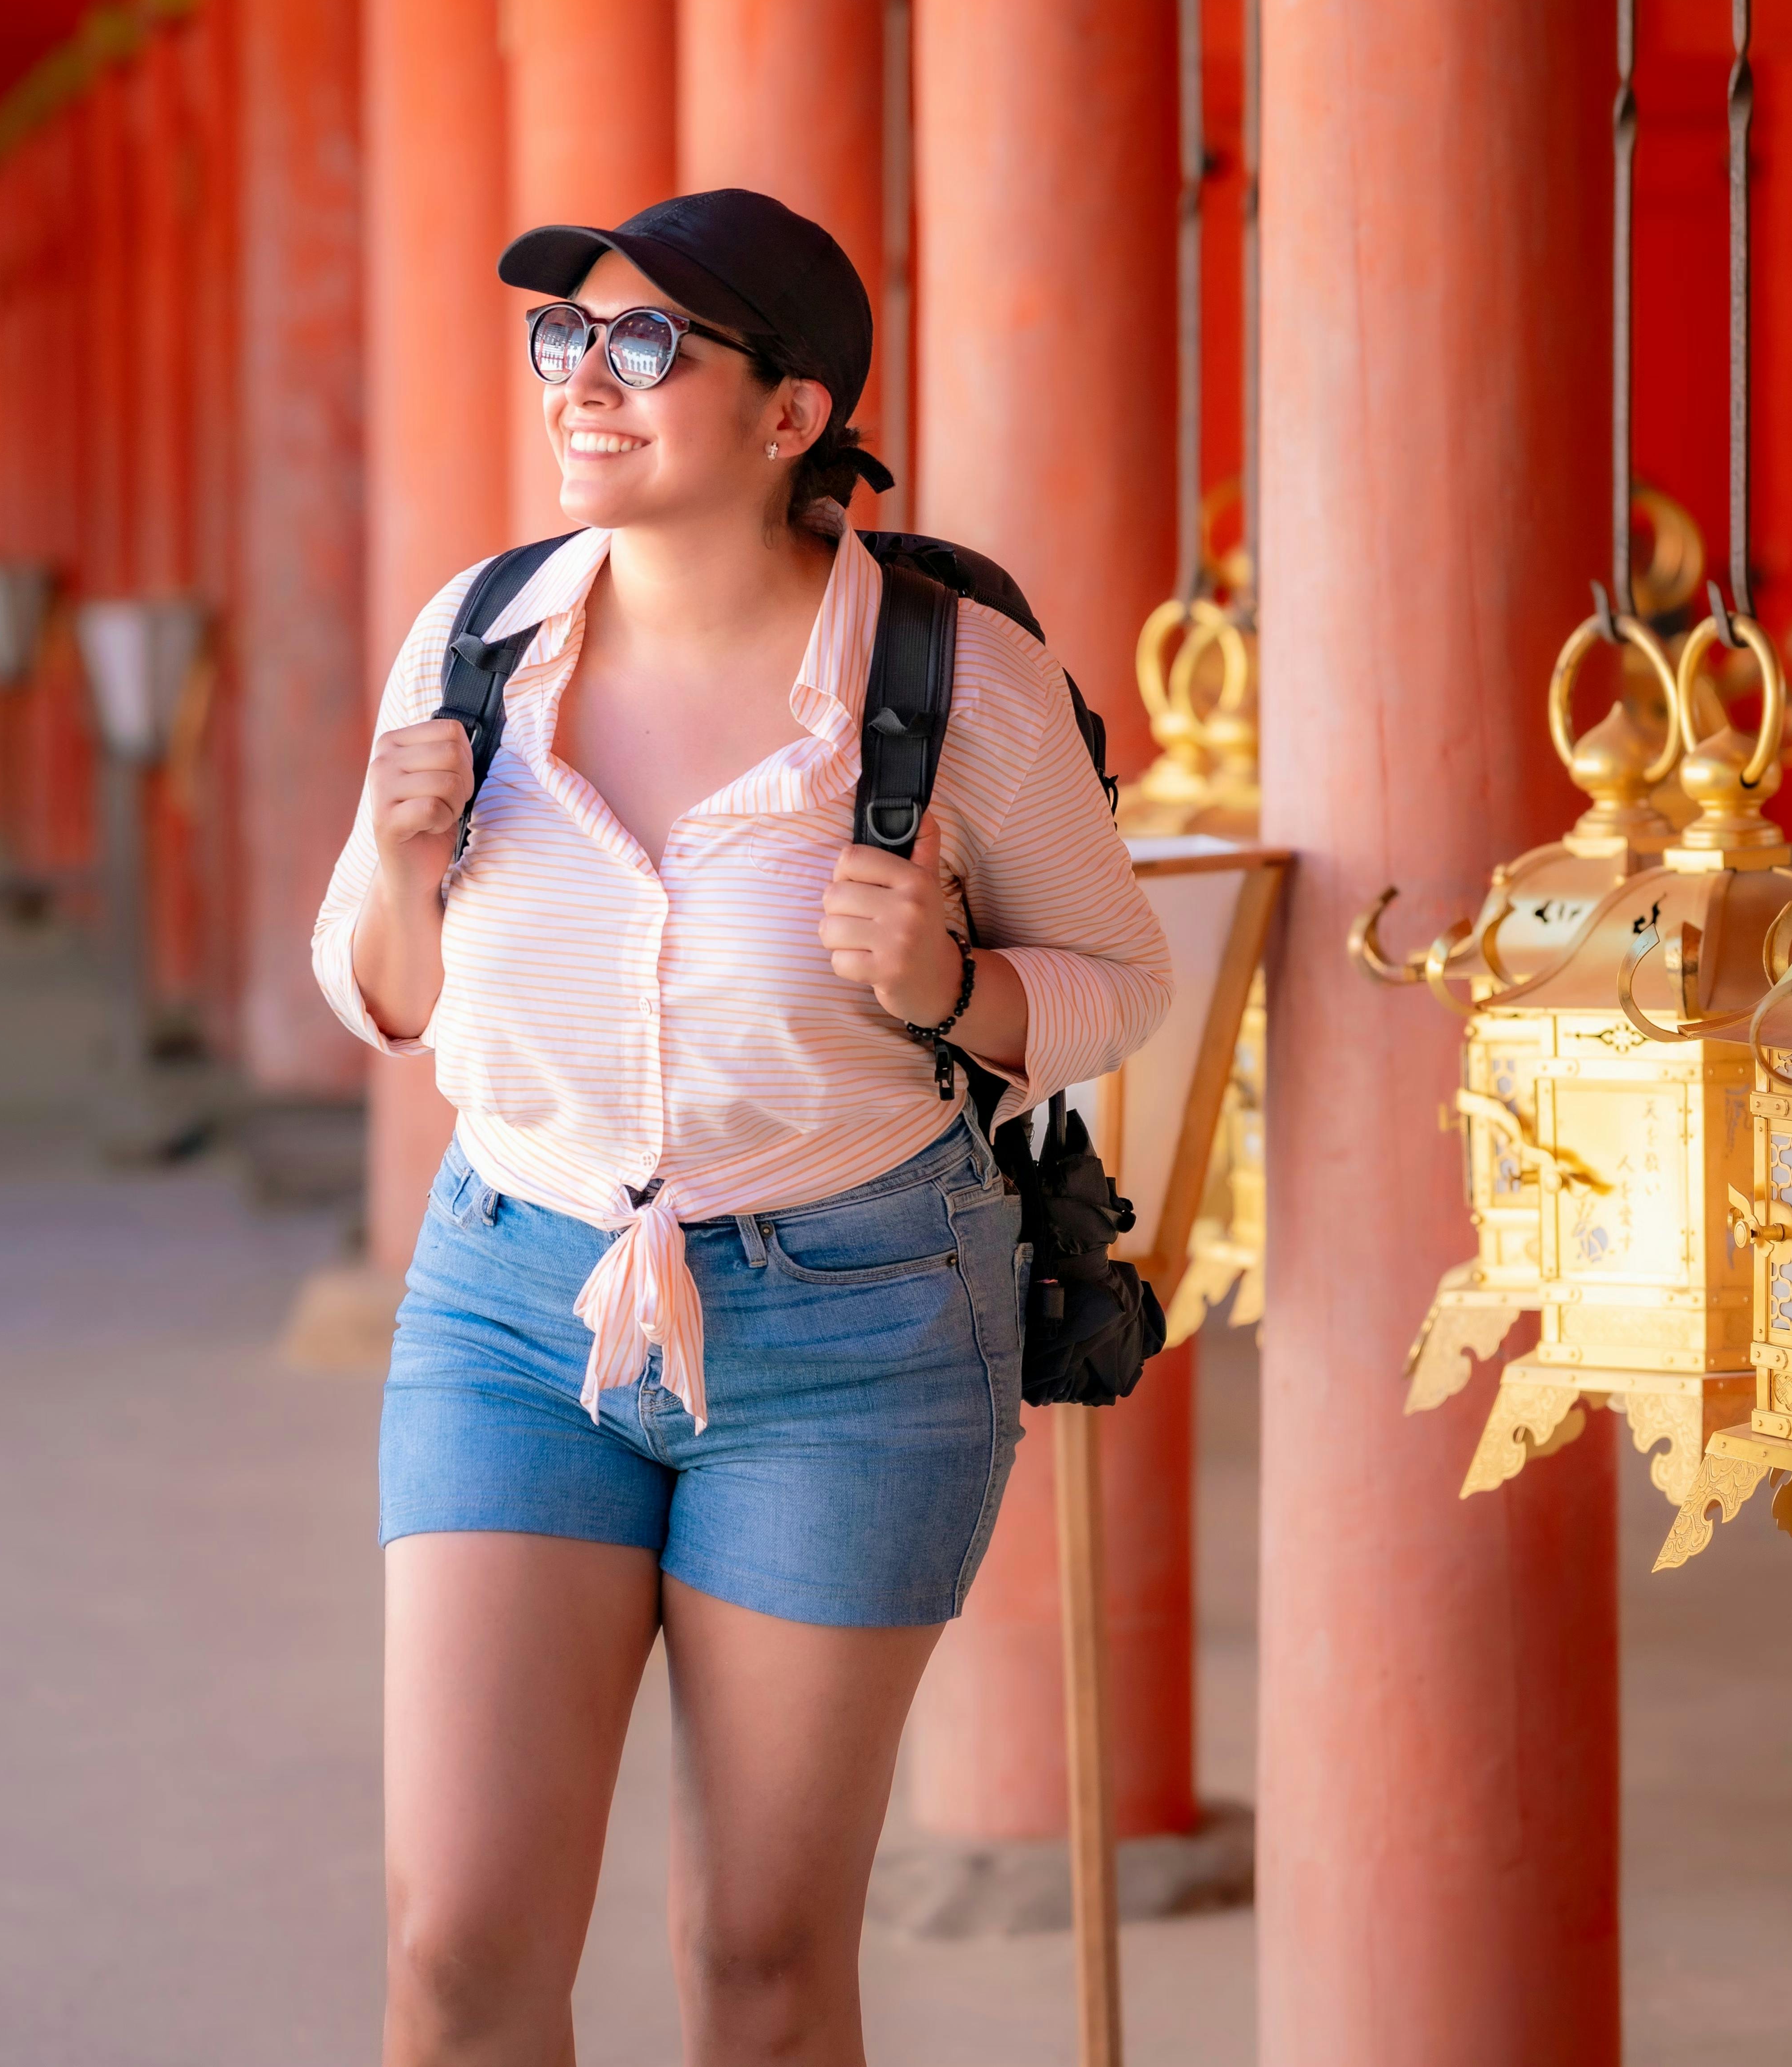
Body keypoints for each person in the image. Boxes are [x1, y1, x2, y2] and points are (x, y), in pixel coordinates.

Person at [310, 189, 1171, 2065]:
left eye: (642, 347)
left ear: (790, 418)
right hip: (509, 1305)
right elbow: (382, 994)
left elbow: (1117, 977)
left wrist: (950, 987)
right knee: (456, 1949)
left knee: (763, 1964)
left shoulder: (952, 684)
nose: (581, 383)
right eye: (566, 339)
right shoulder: (476, 640)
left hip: (855, 1325)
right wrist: (393, 861)